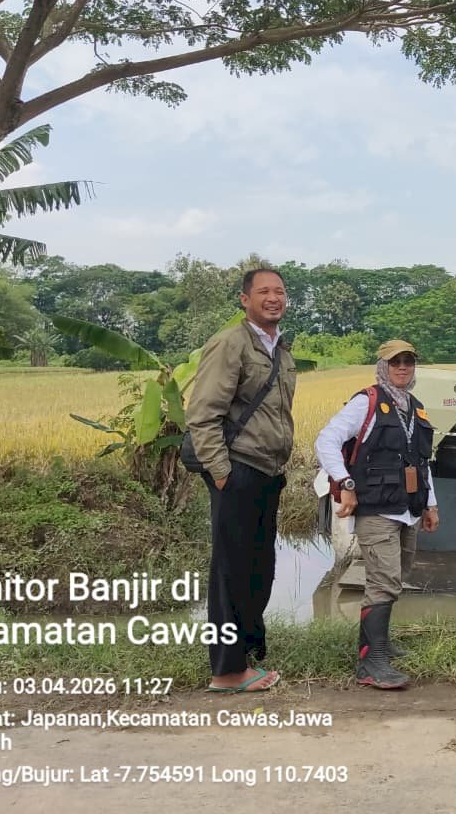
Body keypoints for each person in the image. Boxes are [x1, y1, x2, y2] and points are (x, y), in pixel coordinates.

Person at [186, 267, 297, 693]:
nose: (273, 298)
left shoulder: (280, 348)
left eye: (279, 291)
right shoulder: (231, 343)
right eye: (263, 291)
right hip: (238, 469)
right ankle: (227, 671)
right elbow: (203, 414)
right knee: (231, 573)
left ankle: (246, 655)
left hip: (268, 472)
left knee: (258, 569)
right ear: (244, 300)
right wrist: (221, 473)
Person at [316, 340, 438, 690]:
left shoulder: (415, 409)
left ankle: (378, 644)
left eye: (408, 362)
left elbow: (422, 464)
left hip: (408, 509)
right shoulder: (366, 402)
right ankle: (370, 664)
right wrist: (346, 482)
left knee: (395, 578)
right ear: (383, 366)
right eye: (394, 362)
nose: (402, 367)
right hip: (376, 509)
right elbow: (326, 441)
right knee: (384, 581)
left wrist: (431, 505)